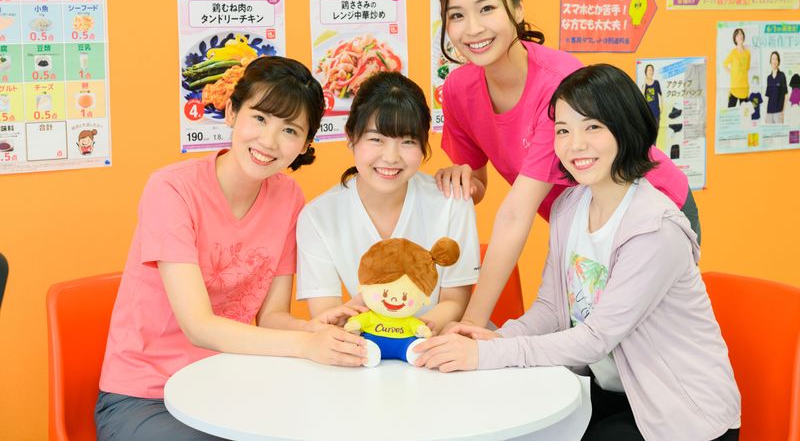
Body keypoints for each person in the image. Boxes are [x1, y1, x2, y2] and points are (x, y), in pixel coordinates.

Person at [414, 64, 741, 441]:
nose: (575, 145)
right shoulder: (569, 207)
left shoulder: (655, 228)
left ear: (626, 128)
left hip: (682, 411)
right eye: (563, 131)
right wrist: (492, 340)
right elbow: (551, 310)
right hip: (613, 392)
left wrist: (487, 355)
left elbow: (595, 338)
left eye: (593, 127)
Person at [95, 57, 368, 441]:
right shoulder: (171, 190)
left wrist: (315, 329)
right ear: (231, 113)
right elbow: (199, 327)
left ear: (305, 144)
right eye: (259, 118)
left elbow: (271, 317)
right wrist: (307, 344)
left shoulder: (289, 197)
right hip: (147, 395)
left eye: (289, 130)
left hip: (231, 383)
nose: (269, 141)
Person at [433, 0, 697, 328]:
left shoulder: (558, 84)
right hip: (581, 225)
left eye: (487, 8)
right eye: (456, 15)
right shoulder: (458, 90)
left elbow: (516, 212)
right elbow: (478, 183)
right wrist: (461, 181)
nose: (472, 28)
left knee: (628, 344)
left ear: (517, 7)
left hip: (649, 210)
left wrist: (471, 323)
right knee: (587, 340)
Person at [296, 71, 479, 332]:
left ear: (424, 143)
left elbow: (455, 301)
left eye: (407, 141)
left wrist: (412, 334)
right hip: (363, 344)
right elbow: (328, 315)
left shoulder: (452, 199)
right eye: (376, 139)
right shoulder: (318, 216)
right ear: (351, 137)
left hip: (438, 340)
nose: (391, 157)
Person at [723, 28, 751, 108]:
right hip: (734, 88)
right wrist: (732, 73)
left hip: (744, 88)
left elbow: (747, 68)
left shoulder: (748, 53)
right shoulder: (733, 52)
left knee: (745, 114)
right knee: (730, 112)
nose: (740, 36)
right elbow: (725, 64)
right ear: (735, 39)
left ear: (743, 36)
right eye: (737, 35)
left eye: (741, 34)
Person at [765, 51, 788, 124]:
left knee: (779, 131)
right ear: (770, 61)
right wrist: (766, 114)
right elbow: (767, 96)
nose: (774, 61)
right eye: (773, 59)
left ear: (778, 61)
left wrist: (783, 112)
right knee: (769, 131)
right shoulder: (768, 78)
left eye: (776, 59)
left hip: (779, 112)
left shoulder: (782, 75)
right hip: (769, 112)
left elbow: (785, 95)